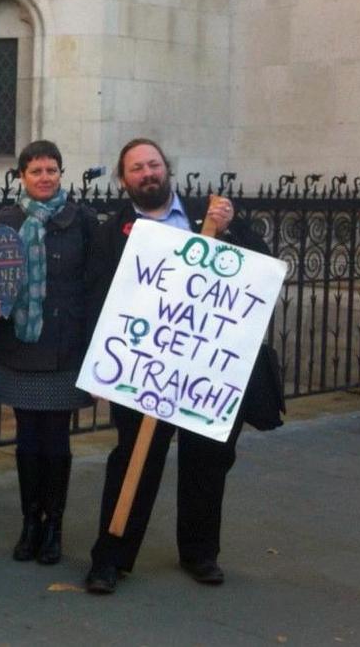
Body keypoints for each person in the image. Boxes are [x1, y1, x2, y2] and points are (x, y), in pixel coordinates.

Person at [82, 138, 275, 595]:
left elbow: (260, 264)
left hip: (206, 368)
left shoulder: (209, 219)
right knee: (133, 461)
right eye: (136, 168)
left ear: (167, 168)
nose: (147, 173)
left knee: (207, 461)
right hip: (142, 370)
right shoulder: (114, 232)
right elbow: (96, 299)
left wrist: (228, 231)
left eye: (153, 164)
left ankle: (200, 553)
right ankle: (110, 558)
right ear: (123, 179)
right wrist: (97, 368)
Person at [0, 140, 100, 566]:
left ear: (61, 173)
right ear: (22, 176)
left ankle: (54, 527)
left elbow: (95, 283)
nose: (45, 178)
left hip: (64, 345)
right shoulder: (7, 221)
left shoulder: (81, 220)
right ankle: (30, 522)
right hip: (22, 345)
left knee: (57, 441)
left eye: (52, 170)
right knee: (27, 440)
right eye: (36, 171)